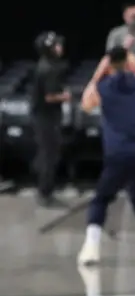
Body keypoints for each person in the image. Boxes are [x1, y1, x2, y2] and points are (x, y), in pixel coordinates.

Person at [77, 45, 135, 266]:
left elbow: (86, 104)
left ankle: (91, 248)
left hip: (121, 153)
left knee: (101, 199)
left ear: (109, 65)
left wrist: (99, 72)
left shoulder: (105, 86)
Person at [30, 31, 70, 208]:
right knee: (49, 155)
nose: (60, 47)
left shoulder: (49, 65)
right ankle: (45, 193)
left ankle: (45, 189)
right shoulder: (49, 69)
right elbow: (49, 97)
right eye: (57, 45)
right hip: (46, 117)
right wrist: (65, 96)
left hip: (45, 116)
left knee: (48, 153)